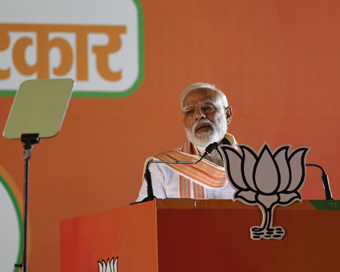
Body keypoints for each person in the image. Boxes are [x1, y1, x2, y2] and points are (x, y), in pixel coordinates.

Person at [136, 83, 238, 201]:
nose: (199, 115)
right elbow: (147, 217)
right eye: (189, 111)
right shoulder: (162, 166)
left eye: (208, 107)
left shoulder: (251, 166)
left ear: (228, 114)